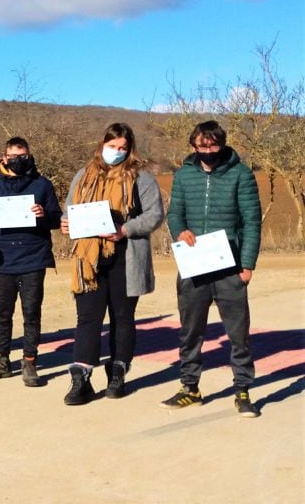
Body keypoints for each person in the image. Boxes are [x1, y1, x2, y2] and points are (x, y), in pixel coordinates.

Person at [161, 121, 262, 417]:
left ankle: (242, 390)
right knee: (190, 331)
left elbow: (252, 221)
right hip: (193, 266)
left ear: (222, 143)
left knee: (238, 333)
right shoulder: (183, 175)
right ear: (193, 145)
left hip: (229, 267)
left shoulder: (241, 174)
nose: (208, 151)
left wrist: (247, 264)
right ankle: (190, 387)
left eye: (213, 145)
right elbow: (174, 213)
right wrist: (180, 231)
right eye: (202, 146)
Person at [60, 123, 164, 405]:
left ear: (130, 150)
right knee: (88, 319)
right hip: (89, 260)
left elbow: (155, 214)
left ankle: (117, 374)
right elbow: (70, 211)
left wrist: (124, 230)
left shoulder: (141, 177)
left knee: (122, 318)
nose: (116, 152)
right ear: (101, 144)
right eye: (112, 146)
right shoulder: (83, 175)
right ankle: (80, 378)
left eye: (122, 148)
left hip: (125, 257)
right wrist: (66, 225)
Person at [0, 137, 62, 387]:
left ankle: (30, 360)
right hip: (3, 259)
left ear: (29, 156)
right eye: (13, 156)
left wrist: (43, 215)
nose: (18, 160)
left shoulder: (43, 185)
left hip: (34, 257)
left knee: (31, 312)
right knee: (2, 312)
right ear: (4, 158)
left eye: (22, 155)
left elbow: (56, 219)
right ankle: (1, 360)